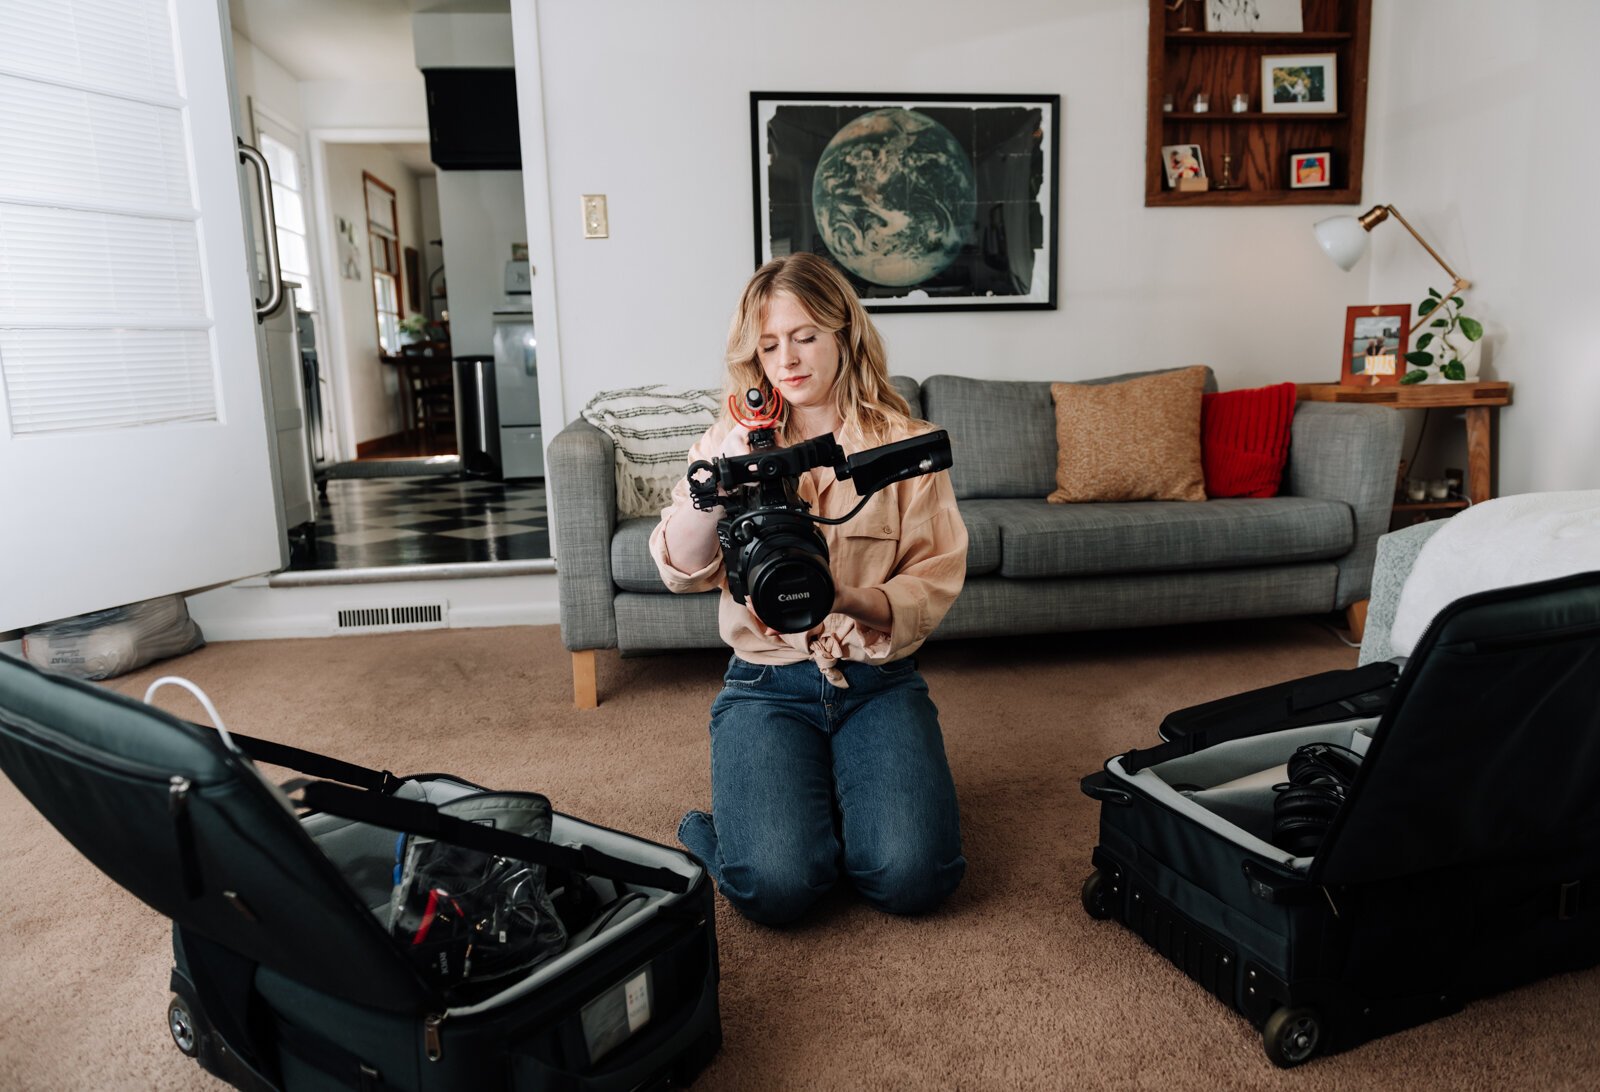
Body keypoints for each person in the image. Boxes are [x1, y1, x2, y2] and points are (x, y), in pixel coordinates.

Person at [648, 253, 968, 926]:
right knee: (778, 890)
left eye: (805, 336)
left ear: (844, 334)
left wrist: (844, 598)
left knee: (916, 880)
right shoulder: (728, 443)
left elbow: (933, 577)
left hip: (877, 681)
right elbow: (676, 567)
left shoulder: (903, 446)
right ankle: (724, 830)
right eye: (769, 345)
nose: (786, 360)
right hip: (766, 685)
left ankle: (843, 811)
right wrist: (721, 480)